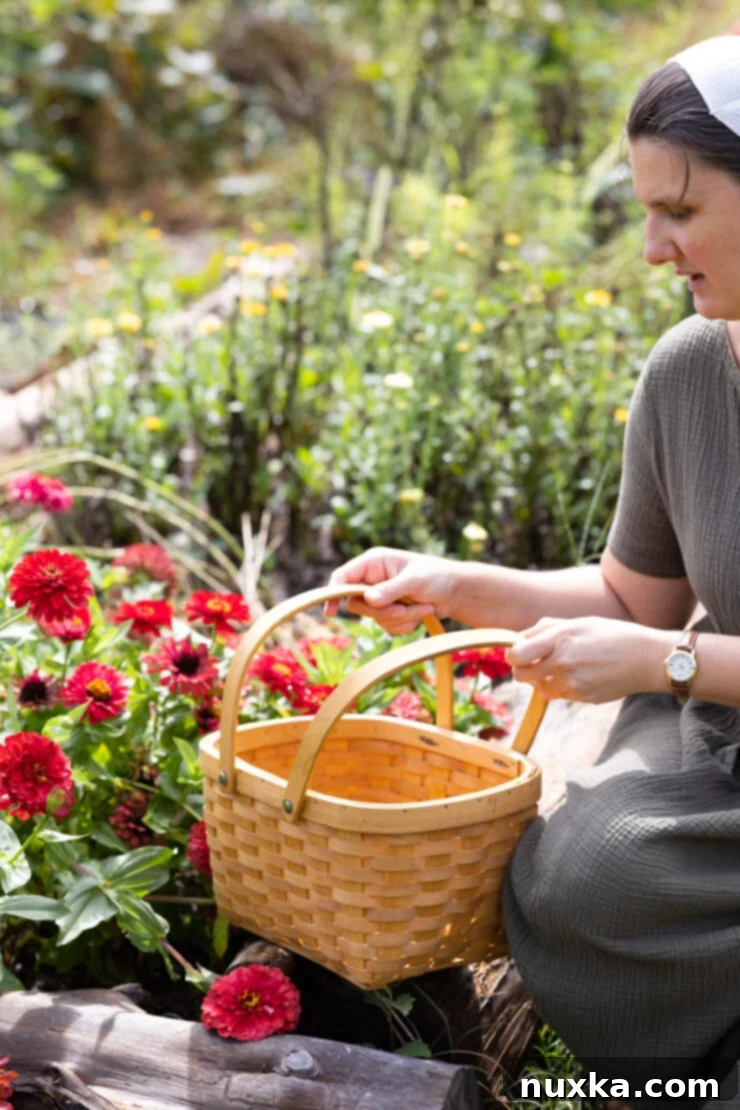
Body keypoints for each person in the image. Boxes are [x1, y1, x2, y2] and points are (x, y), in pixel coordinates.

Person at [324, 35, 740, 1107]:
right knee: (578, 869)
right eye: (645, 210)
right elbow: (629, 597)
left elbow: (653, 638)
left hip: (704, 690)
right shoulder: (687, 369)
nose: (651, 248)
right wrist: (459, 583)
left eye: (680, 212)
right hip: (718, 732)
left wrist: (664, 662)